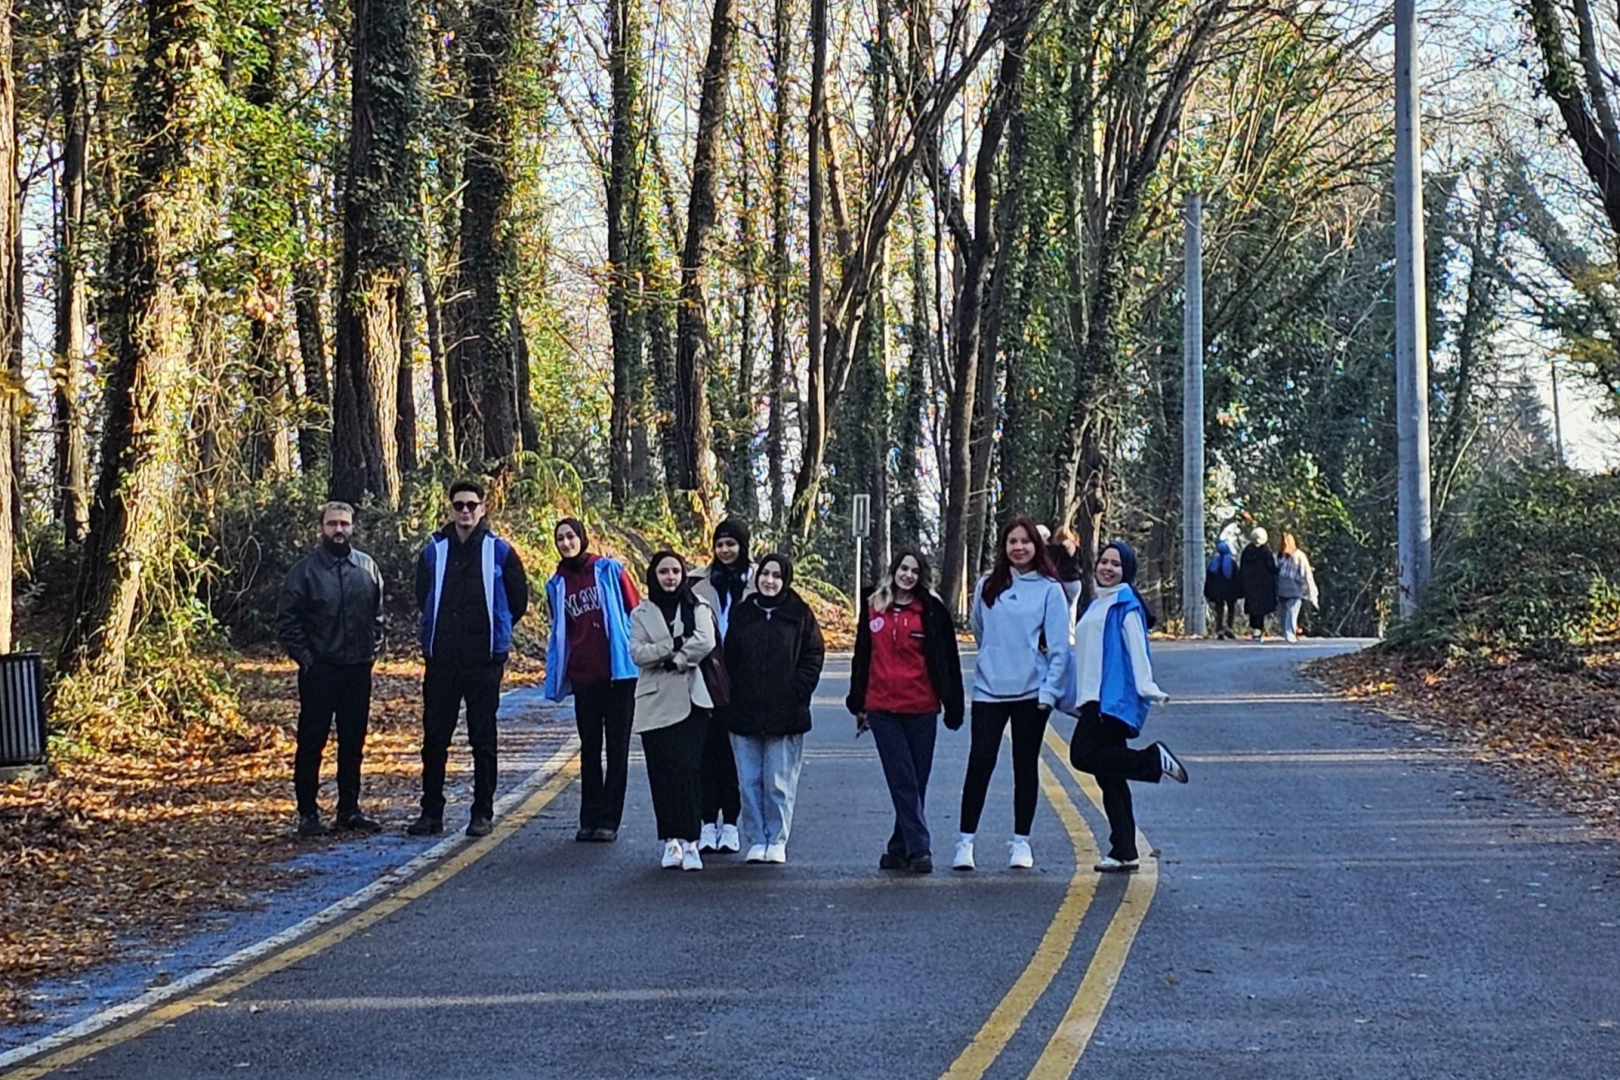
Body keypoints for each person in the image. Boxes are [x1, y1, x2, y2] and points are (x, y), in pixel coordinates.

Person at [409, 481, 530, 839]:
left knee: (483, 738)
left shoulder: (501, 552)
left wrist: (496, 635)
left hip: (484, 660)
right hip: (442, 659)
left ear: (482, 509)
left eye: (471, 505)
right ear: (450, 509)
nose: (465, 511)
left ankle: (482, 812)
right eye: (458, 505)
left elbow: (517, 600)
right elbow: (423, 595)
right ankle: (431, 813)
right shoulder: (434, 551)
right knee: (434, 738)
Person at [954, 517, 1072, 872]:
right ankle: (965, 842)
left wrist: (1049, 691)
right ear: (1003, 548)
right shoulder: (988, 585)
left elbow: (1059, 648)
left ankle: (1021, 842)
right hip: (989, 689)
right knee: (980, 763)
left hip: (1031, 694)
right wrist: (994, 659)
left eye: (1025, 541)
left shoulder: (1051, 589)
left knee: (1025, 766)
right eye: (1012, 542)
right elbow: (979, 630)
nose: (1018, 547)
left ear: (1037, 546)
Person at [1068, 541, 1188, 872]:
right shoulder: (1096, 603)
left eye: (1116, 564)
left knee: (1081, 755)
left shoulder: (1125, 604)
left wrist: (1148, 688)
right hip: (1094, 698)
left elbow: (1138, 649)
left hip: (1112, 700)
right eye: (1104, 562)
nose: (1107, 568)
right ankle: (1124, 849)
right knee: (1110, 776)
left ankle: (1152, 759)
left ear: (1127, 571)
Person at [846, 549, 964, 874]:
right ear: (894, 570)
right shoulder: (873, 607)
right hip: (882, 707)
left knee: (916, 780)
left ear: (920, 576)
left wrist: (953, 704)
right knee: (901, 777)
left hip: (922, 706)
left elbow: (947, 661)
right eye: (903, 568)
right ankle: (920, 848)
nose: (907, 575)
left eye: (914, 571)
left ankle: (898, 848)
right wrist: (858, 702)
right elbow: (862, 656)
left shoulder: (931, 610)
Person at [276, 501, 386, 837]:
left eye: (344, 524)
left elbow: (378, 615)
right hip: (320, 672)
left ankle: (349, 810)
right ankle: (308, 814)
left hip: (357, 671)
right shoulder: (305, 572)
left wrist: (373, 652)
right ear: (321, 528)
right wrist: (308, 661)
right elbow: (287, 622)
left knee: (353, 744)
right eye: (332, 524)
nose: (339, 530)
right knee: (312, 743)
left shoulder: (366, 568)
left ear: (353, 527)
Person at [722, 552, 826, 864]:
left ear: (786, 579)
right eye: (765, 574)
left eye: (777, 575)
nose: (770, 581)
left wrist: (799, 691)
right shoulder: (743, 614)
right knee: (750, 780)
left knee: (779, 782)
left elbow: (813, 655)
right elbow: (730, 659)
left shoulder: (800, 614)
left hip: (786, 712)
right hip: (744, 712)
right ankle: (756, 839)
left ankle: (776, 839)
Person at [542, 517, 641, 842]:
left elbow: (634, 611)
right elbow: (560, 629)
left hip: (618, 674)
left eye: (571, 536)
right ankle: (589, 817)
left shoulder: (610, 570)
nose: (567, 543)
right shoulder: (556, 584)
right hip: (585, 676)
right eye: (561, 539)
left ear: (582, 538)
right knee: (589, 749)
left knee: (617, 748)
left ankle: (609, 820)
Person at [629, 552, 719, 872]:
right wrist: (674, 646)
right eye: (664, 572)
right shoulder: (641, 612)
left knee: (689, 771)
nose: (670, 577)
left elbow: (705, 640)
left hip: (693, 700)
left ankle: (692, 841)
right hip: (654, 703)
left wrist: (677, 660)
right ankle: (671, 841)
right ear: (654, 575)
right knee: (662, 773)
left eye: (676, 571)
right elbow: (638, 653)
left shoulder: (698, 607)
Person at [688, 518, 751, 854]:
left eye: (732, 544)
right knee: (708, 753)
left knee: (736, 756)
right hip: (707, 678)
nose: (725, 551)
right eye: (720, 544)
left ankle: (732, 823)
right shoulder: (696, 582)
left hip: (746, 681)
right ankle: (707, 821)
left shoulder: (759, 581)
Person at [1276, 533, 1320, 643]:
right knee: (1289, 612)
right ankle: (1288, 633)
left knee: (1286, 611)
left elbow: (1275, 571)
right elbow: (1306, 575)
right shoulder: (1294, 556)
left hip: (1285, 588)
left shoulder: (1284, 556)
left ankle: (1287, 632)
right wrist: (1312, 592)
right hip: (1290, 589)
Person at [1240, 527, 1279, 642]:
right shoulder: (1266, 552)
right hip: (1264, 586)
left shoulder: (1246, 551)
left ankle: (1254, 629)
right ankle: (1258, 630)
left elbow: (1242, 568)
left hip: (1250, 585)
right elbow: (1272, 568)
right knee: (1261, 609)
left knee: (1252, 607)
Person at [1203, 539, 1242, 639]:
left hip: (1217, 591)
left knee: (1219, 609)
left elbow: (1209, 578)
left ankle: (1219, 629)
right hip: (1230, 591)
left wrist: (1208, 591)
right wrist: (1240, 591)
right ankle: (1229, 627)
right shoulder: (1231, 563)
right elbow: (1237, 578)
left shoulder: (1213, 562)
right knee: (1231, 608)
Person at [1051, 527, 1085, 623]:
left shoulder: (1056, 549)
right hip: (1075, 582)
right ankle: (1071, 634)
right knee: (1072, 610)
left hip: (1061, 581)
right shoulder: (1077, 549)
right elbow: (1082, 563)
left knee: (1059, 610)